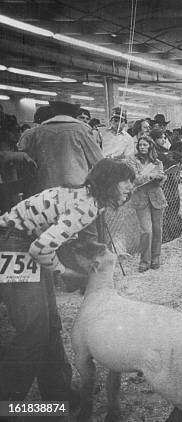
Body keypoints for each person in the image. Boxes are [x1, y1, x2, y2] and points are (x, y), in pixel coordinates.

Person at [0, 158, 134, 406]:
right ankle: (7, 403)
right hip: (13, 244)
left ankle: (59, 395)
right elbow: (40, 249)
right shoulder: (88, 206)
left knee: (50, 324)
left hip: (20, 240)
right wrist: (63, 271)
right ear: (107, 184)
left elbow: (59, 231)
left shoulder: (87, 197)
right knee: (33, 331)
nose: (128, 190)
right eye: (124, 184)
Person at [127, 136, 168, 272]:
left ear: (150, 146)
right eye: (140, 145)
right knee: (146, 231)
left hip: (156, 198)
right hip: (140, 199)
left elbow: (161, 178)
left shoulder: (157, 162)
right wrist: (151, 176)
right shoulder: (132, 161)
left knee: (157, 230)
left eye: (145, 145)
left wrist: (161, 178)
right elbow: (135, 179)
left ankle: (156, 257)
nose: (142, 147)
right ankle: (145, 260)